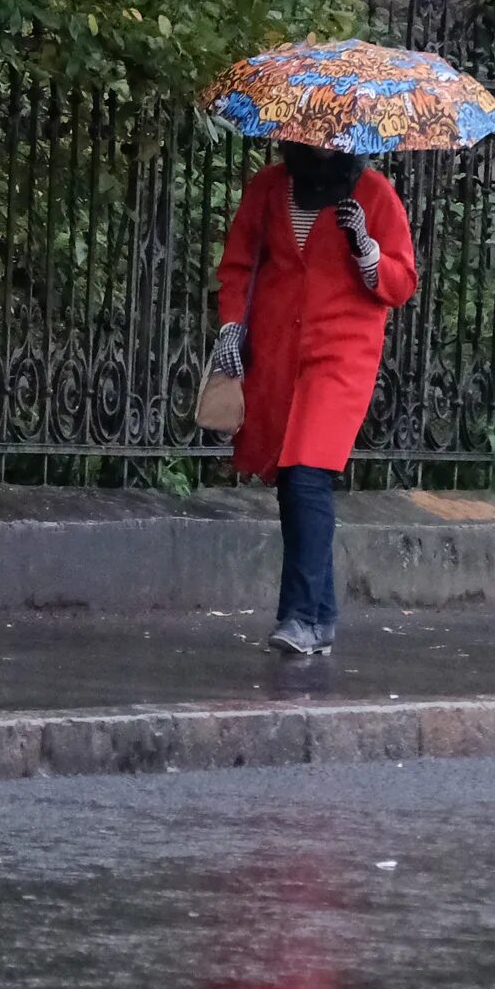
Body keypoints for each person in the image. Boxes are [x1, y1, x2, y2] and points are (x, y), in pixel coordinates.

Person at [208, 140, 419, 657]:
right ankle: (321, 618)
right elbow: (238, 266)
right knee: (291, 479)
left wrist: (366, 249)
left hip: (340, 356)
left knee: (306, 472)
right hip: (278, 353)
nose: (326, 142)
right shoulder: (269, 187)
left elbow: (401, 283)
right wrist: (231, 327)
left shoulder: (374, 192)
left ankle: (299, 617)